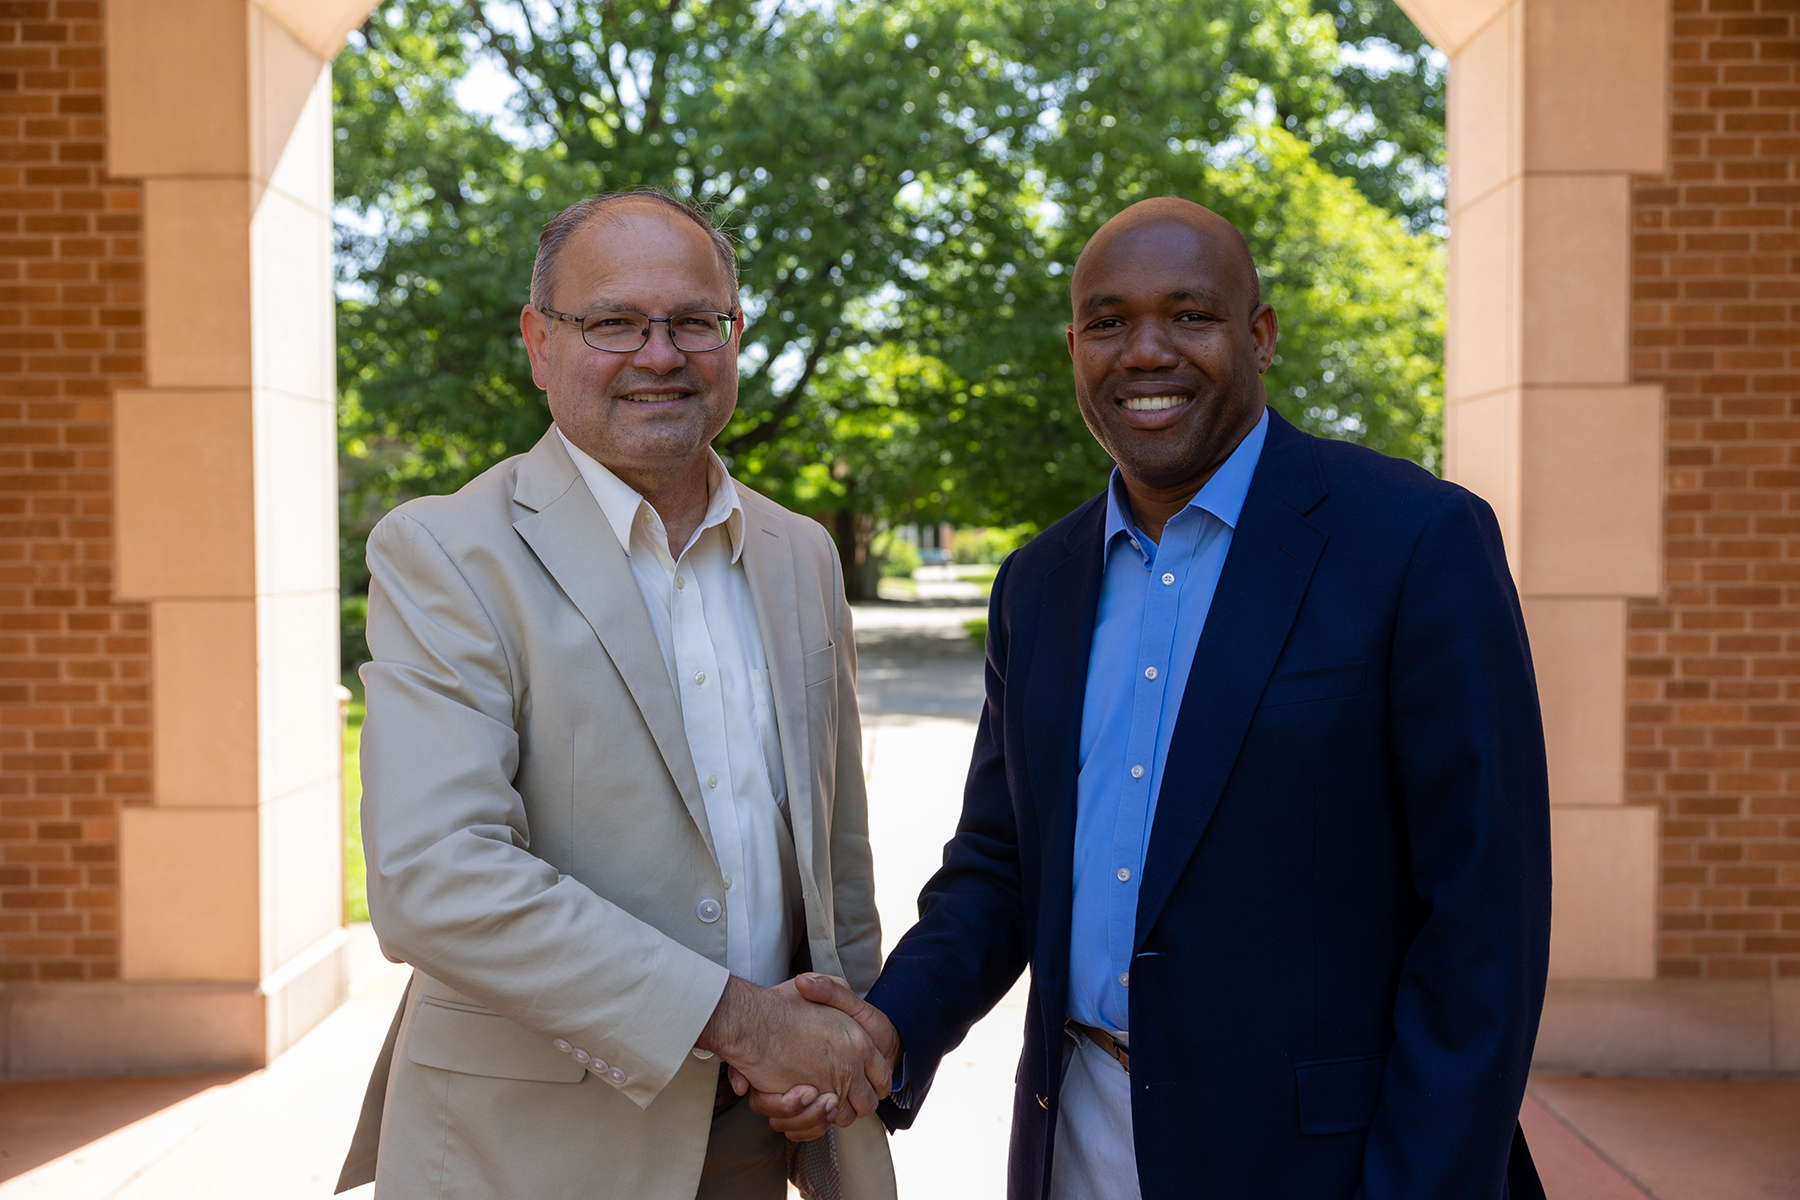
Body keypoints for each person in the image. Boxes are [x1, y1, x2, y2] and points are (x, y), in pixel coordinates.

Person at [753, 197, 1553, 1198]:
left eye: (1189, 314)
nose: (1146, 350)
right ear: (1076, 345)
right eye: (1108, 320)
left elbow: (1484, 925)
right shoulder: (1039, 584)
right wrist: (887, 1031)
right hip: (1079, 1142)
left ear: (1259, 335)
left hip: (1326, 1165)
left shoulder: (1414, 542)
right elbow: (1002, 868)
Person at [333, 190, 895, 1200]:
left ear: (734, 334)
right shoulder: (447, 553)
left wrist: (831, 1050)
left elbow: (832, 859)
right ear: (540, 342)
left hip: (760, 1137)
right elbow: (436, 877)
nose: (661, 354)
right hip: (533, 1151)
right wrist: (751, 1024)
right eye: (615, 323)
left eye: (694, 322)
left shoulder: (800, 553)